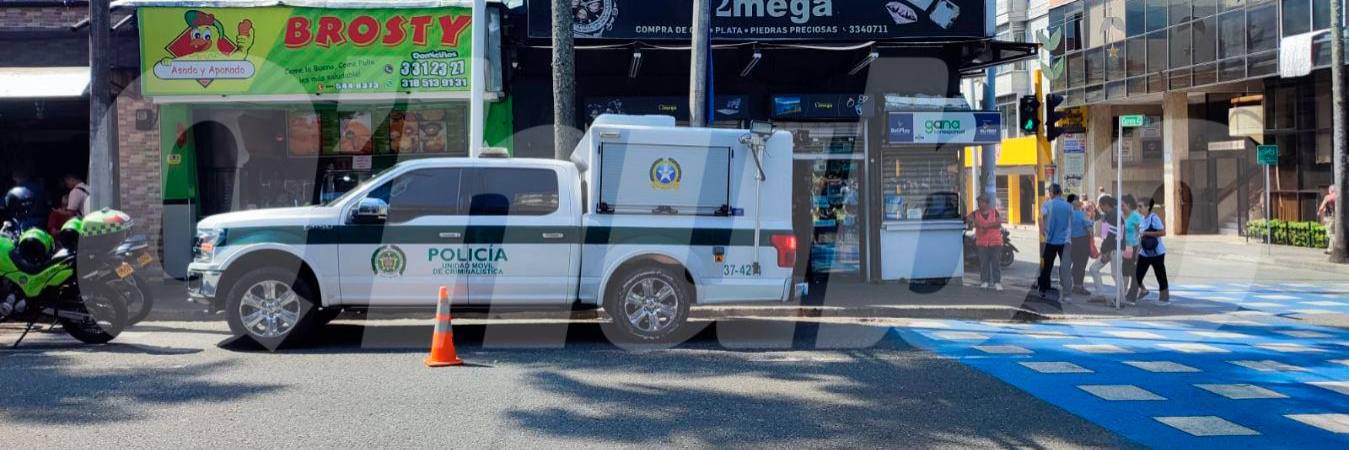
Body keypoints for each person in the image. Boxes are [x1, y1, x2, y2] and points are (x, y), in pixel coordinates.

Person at [1128, 198, 1169, 304]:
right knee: (1137, 274)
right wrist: (1137, 252)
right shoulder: (1142, 219)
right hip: (1144, 252)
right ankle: (1131, 298)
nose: (1138, 209)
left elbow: (1162, 232)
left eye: (1141, 206)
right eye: (1138, 206)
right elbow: (1140, 237)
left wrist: (1147, 233)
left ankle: (1164, 298)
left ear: (1148, 207)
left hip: (1156, 252)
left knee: (1160, 275)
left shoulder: (1153, 218)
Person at [1038, 184, 1075, 302]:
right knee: (1065, 268)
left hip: (1050, 241)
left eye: (1049, 192)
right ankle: (1067, 295)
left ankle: (1043, 290)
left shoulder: (1047, 204)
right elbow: (1072, 221)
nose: (1049, 194)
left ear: (1052, 192)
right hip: (1065, 241)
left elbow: (1040, 218)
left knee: (1047, 266)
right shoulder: (1068, 206)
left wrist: (1042, 231)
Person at [1089, 195, 1123, 304]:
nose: (1100, 208)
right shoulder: (1109, 215)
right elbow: (1104, 233)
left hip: (1114, 249)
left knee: (1115, 274)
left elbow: (1112, 236)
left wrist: (1104, 251)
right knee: (1094, 269)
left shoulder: (1114, 215)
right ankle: (1100, 294)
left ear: (1106, 205)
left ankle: (1121, 299)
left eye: (1101, 206)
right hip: (1110, 249)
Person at [971, 195, 1004, 291]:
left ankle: (997, 282)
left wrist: (985, 226)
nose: (979, 204)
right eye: (978, 202)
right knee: (983, 263)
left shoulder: (994, 212)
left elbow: (998, 223)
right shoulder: (975, 213)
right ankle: (984, 281)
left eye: (981, 202)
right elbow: (969, 219)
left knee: (996, 263)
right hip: (982, 243)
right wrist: (975, 223)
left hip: (995, 242)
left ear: (986, 203)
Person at [1068, 194, 1094, 296]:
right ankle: (1079, 286)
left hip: (1071, 241)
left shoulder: (1068, 215)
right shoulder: (1082, 215)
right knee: (1081, 264)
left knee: (1075, 263)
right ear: (1078, 204)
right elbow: (1089, 227)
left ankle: (1075, 285)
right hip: (1082, 241)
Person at [1319, 186, 1337, 254]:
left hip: (1329, 217)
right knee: (1334, 233)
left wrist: (1319, 212)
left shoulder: (1328, 197)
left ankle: (1331, 249)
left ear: (1330, 190)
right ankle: (1331, 248)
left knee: (1330, 233)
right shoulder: (1338, 197)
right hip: (1337, 217)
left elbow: (1321, 207)